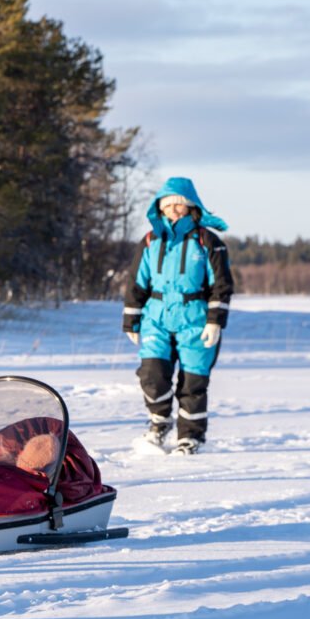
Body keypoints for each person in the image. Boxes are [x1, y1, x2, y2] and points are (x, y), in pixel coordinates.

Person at [123, 177, 233, 454]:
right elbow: (137, 282)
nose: (173, 209)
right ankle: (159, 422)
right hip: (156, 318)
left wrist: (214, 321)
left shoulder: (208, 241)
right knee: (151, 373)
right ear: (159, 207)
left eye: (179, 204)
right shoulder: (149, 241)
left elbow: (222, 284)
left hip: (195, 319)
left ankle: (190, 436)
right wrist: (131, 319)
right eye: (168, 204)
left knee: (193, 381)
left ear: (191, 207)